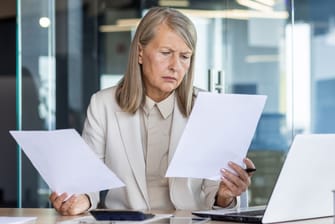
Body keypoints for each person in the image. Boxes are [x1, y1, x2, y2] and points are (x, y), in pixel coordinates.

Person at [49, 6, 256, 216]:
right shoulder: (103, 105)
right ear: (140, 52)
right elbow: (88, 180)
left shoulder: (206, 108)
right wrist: (80, 199)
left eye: (184, 56)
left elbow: (215, 194)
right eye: (165, 53)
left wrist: (225, 195)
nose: (175, 66)